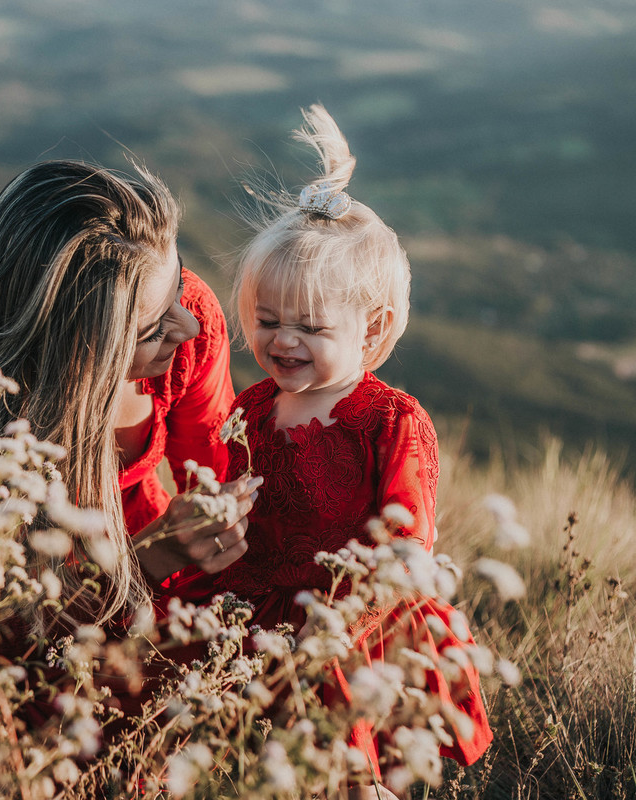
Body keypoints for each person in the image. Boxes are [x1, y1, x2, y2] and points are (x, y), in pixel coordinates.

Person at [207, 105, 492, 792]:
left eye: (309, 325)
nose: (283, 341)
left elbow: (408, 542)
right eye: (267, 320)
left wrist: (333, 630)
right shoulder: (252, 407)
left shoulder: (389, 420)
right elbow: (231, 501)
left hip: (356, 624)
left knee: (348, 768)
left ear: (374, 327)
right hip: (261, 606)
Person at [0, 158, 261, 636]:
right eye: (152, 328)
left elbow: (220, 481)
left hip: (166, 597)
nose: (189, 325)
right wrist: (153, 554)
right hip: (43, 632)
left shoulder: (190, 321)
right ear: (75, 349)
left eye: (177, 285)